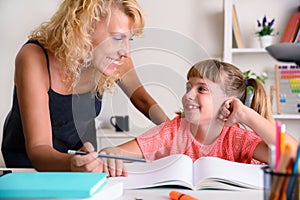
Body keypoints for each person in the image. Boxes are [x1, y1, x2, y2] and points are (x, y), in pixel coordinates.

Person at [1, 0, 169, 171]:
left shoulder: (116, 57)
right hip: (27, 168)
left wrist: (175, 129)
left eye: (129, 39)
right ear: (84, 28)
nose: (125, 51)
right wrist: (72, 163)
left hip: (82, 161)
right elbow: (39, 150)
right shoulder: (34, 57)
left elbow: (142, 100)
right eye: (117, 38)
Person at [99, 59, 298, 177]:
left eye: (201, 88)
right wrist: (108, 154)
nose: (188, 95)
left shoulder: (238, 139)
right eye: (188, 87)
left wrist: (246, 114)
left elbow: (294, 156)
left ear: (228, 102)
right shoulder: (173, 131)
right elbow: (114, 154)